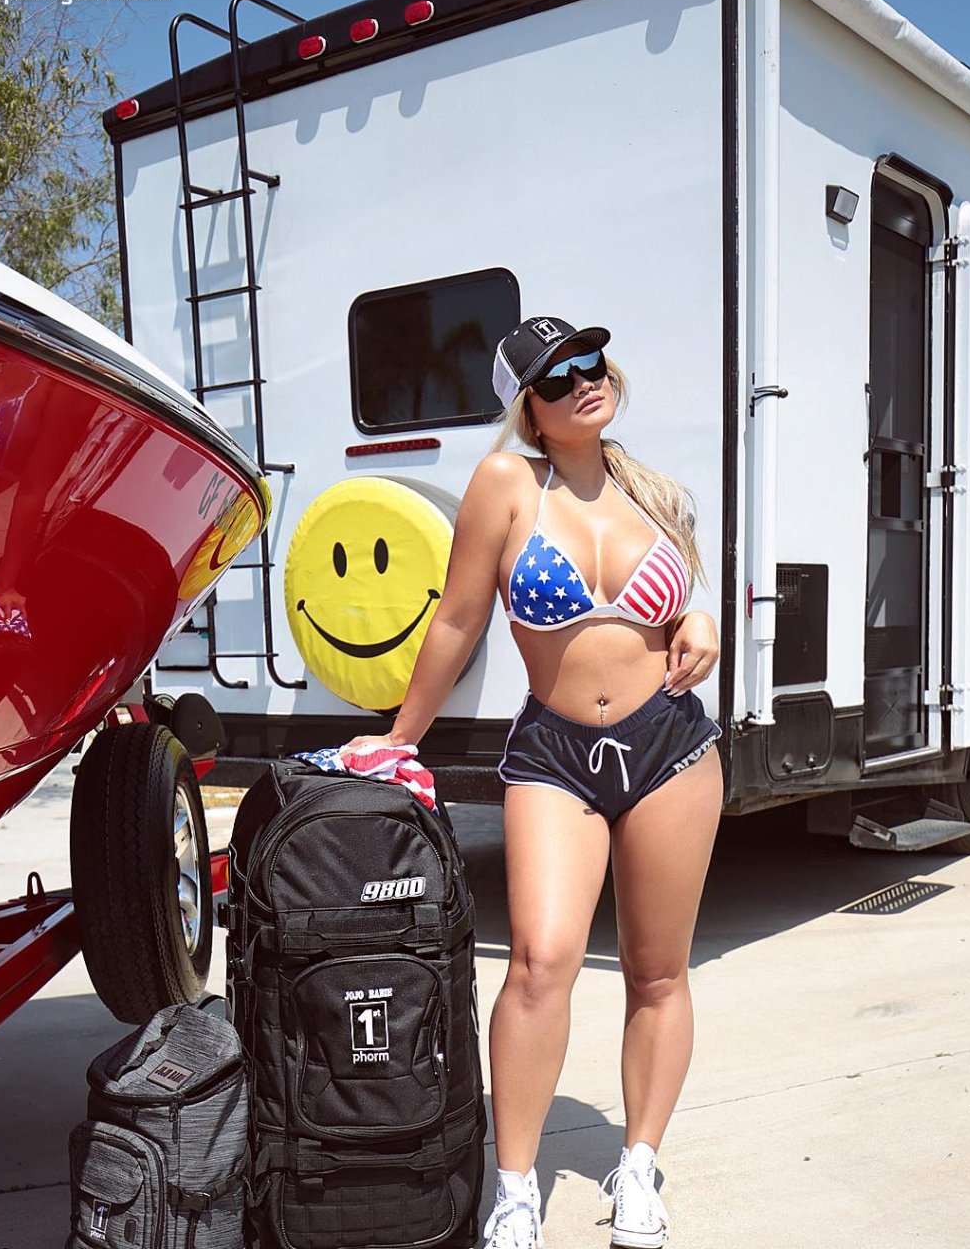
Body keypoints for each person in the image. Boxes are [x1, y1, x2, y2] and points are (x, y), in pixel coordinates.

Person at [343, 316, 723, 1249]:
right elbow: (458, 618)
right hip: (555, 754)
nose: (584, 381)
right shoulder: (508, 483)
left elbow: (683, 605)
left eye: (591, 363)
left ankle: (639, 1166)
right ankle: (513, 1189)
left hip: (672, 748)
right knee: (540, 962)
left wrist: (701, 620)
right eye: (557, 379)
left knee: (659, 973)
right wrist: (401, 737)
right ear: (529, 408)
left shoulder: (655, 491)